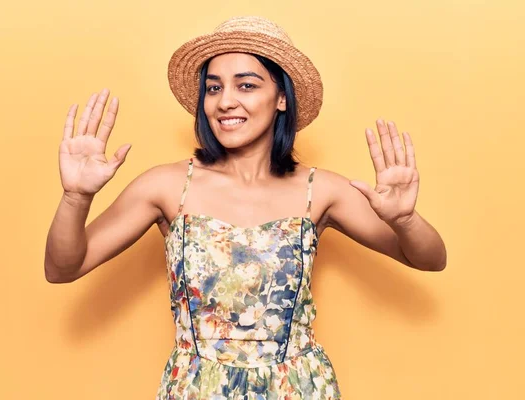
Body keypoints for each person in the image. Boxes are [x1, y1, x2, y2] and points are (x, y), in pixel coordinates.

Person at [44, 16, 447, 400]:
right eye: (214, 88)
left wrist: (406, 219)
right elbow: (61, 269)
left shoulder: (320, 190)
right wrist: (76, 197)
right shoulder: (166, 186)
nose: (226, 102)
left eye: (247, 86)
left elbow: (429, 259)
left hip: (298, 389)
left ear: (283, 98)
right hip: (197, 389)